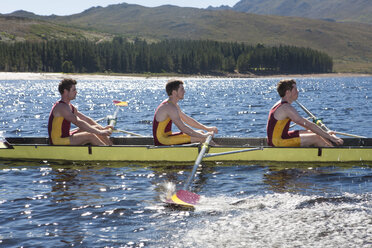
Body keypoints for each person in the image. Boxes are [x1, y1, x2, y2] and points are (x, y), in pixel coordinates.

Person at [267, 79, 343, 147]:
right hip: (277, 142)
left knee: (316, 133)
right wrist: (329, 137)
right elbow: (308, 124)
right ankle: (333, 154)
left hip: (282, 136)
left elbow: (306, 125)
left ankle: (330, 148)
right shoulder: (286, 108)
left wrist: (326, 133)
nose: (298, 91)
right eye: (295, 89)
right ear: (288, 92)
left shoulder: (281, 104)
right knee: (316, 138)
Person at [48, 78, 113, 146]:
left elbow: (86, 119)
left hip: (66, 136)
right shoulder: (61, 107)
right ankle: (108, 153)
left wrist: (102, 129)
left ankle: (112, 148)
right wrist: (100, 132)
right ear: (65, 91)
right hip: (57, 141)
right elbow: (78, 122)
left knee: (97, 127)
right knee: (90, 135)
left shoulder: (70, 106)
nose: (76, 92)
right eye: (74, 90)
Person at [153, 79, 218, 146]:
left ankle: (216, 151)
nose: (184, 91)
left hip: (167, 137)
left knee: (201, 132)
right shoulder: (169, 107)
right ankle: (219, 153)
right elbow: (183, 128)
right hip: (162, 141)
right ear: (174, 92)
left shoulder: (173, 105)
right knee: (202, 138)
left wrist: (206, 128)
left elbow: (187, 119)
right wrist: (204, 136)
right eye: (182, 89)